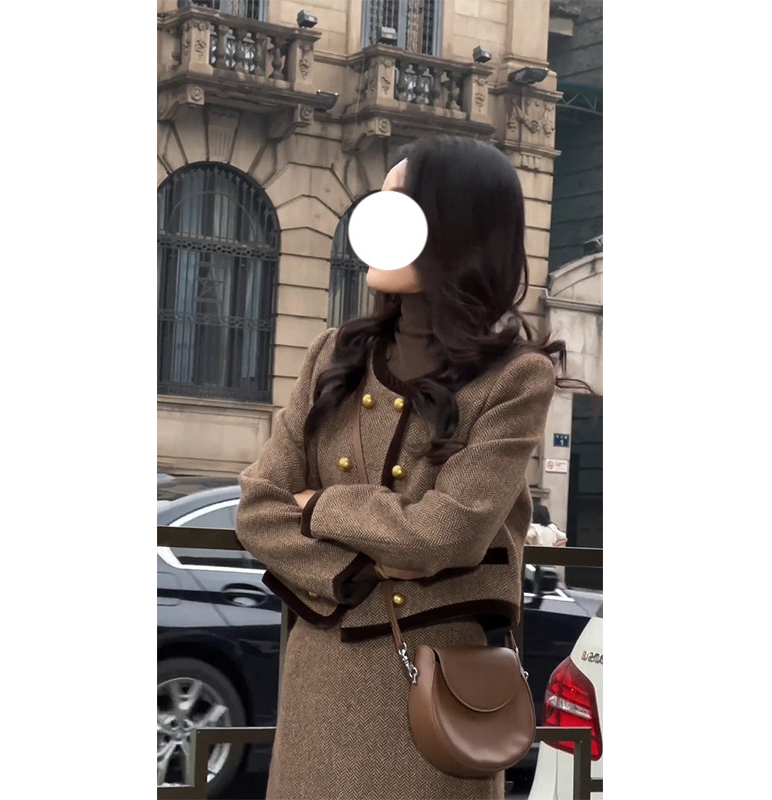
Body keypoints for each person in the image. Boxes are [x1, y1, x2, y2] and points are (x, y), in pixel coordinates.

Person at [235, 135, 572, 800]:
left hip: (435, 689)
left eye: (401, 208)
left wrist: (319, 506)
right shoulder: (332, 353)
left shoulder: (515, 377)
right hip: (319, 680)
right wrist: (365, 564)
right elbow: (258, 507)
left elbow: (447, 533)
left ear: (457, 228)